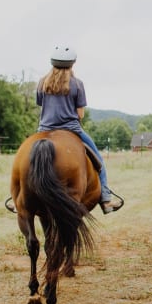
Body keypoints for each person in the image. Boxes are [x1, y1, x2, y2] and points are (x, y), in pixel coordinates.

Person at [37, 47, 122, 214]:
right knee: (98, 161)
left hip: (44, 130)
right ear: (71, 65)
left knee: (25, 159)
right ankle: (105, 199)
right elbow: (80, 114)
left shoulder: (42, 82)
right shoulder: (77, 84)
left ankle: (18, 198)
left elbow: (41, 105)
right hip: (71, 129)